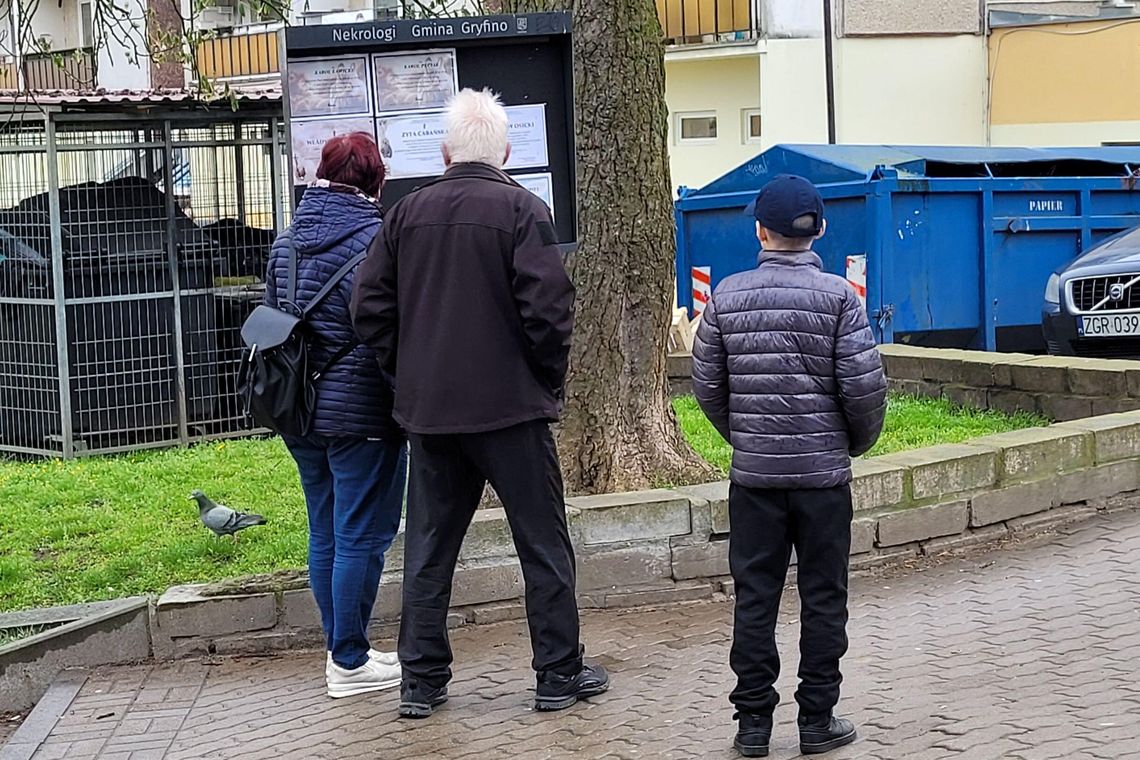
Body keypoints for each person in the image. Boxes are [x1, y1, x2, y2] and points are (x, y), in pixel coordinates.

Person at [351, 88, 609, 719]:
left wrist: (403, 372)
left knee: (429, 549)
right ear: (507, 151)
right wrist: (543, 380)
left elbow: (369, 308)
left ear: (444, 151)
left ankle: (421, 681)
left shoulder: (406, 215)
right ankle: (557, 673)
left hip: (431, 412)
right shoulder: (524, 210)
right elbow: (550, 312)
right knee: (543, 545)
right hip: (512, 411)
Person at [691, 174, 888, 757]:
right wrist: (849, 445)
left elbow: (706, 384)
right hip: (823, 482)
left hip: (754, 481)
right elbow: (864, 391)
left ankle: (752, 726)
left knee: (755, 597)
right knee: (824, 595)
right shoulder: (839, 299)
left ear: (759, 230)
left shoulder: (725, 296)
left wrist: (744, 436)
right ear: (819, 229)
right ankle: (817, 719)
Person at [264, 132, 407, 699]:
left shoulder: (286, 241)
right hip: (362, 413)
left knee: (324, 530)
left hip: (297, 408)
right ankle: (348, 659)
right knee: (360, 536)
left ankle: (339, 652)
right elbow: (386, 331)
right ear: (376, 180)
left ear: (323, 174)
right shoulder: (379, 240)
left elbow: (277, 320)